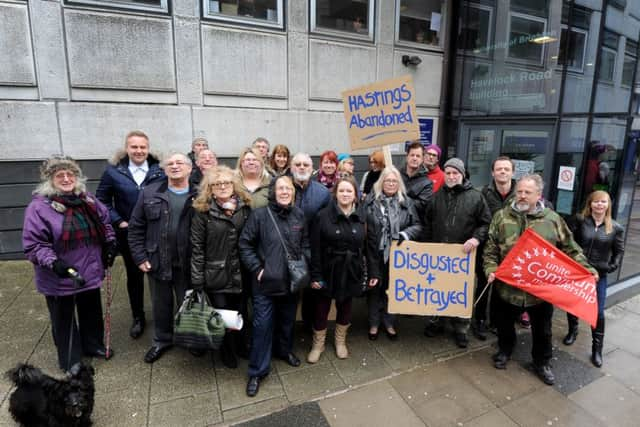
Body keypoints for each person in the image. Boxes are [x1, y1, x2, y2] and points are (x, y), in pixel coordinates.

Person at [484, 174, 598, 385]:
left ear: (538, 195)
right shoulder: (501, 216)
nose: (522, 196)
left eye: (528, 192)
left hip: (540, 292)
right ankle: (505, 351)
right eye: (519, 191)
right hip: (507, 288)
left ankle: (542, 362)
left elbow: (571, 249)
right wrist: (491, 268)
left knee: (543, 331)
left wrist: (586, 268)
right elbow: (490, 248)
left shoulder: (552, 220)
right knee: (504, 325)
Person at [23, 157, 117, 371]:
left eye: (70, 174)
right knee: (63, 318)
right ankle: (70, 360)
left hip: (90, 268)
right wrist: (54, 263)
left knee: (91, 310)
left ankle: (92, 345)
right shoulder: (39, 208)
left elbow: (104, 222)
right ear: (50, 180)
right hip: (60, 273)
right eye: (60, 175)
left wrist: (110, 243)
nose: (66, 179)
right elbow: (35, 244)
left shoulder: (88, 200)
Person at [239, 175, 309, 397]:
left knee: (287, 321)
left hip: (290, 282)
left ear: (293, 193)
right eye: (280, 188)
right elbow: (244, 245)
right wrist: (258, 269)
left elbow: (305, 243)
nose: (285, 192)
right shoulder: (260, 215)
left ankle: (284, 351)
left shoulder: (299, 215)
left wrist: (304, 265)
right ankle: (257, 371)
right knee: (262, 325)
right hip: (265, 282)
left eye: (288, 188)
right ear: (273, 192)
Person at [128, 153, 197, 363]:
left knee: (188, 304)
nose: (175, 166)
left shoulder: (201, 194)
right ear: (164, 169)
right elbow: (135, 228)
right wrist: (140, 257)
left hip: (188, 262)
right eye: (170, 163)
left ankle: (190, 340)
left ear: (190, 169)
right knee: (161, 305)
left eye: (180, 163)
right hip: (157, 260)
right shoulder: (149, 192)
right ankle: (162, 341)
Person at [96, 130, 164, 339]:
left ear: (148, 148)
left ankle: (164, 318)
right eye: (134, 147)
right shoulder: (113, 172)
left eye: (143, 147)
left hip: (156, 232)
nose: (139, 151)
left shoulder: (160, 170)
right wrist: (118, 221)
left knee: (160, 276)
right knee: (134, 277)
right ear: (126, 148)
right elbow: (102, 200)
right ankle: (138, 317)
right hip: (129, 234)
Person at [423, 158, 492, 348]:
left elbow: (486, 223)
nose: (451, 176)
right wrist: (426, 247)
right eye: (448, 173)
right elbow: (428, 222)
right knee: (438, 291)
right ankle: (437, 322)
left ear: (462, 175)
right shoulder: (436, 196)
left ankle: (461, 329)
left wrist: (476, 238)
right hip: (439, 256)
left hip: (463, 257)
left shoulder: (476, 197)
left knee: (461, 294)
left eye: (455, 173)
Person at [191, 166, 252, 368]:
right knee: (223, 315)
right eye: (218, 184)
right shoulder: (202, 211)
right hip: (216, 274)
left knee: (241, 311)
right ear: (210, 188)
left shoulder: (245, 206)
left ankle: (242, 345)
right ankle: (227, 351)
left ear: (234, 184)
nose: (223, 186)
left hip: (241, 272)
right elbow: (197, 247)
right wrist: (197, 278)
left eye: (227, 182)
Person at [563, 191, 624, 367]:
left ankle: (597, 349)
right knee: (573, 305)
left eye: (603, 202)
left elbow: (618, 252)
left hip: (599, 276)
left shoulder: (615, 227)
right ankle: (572, 332)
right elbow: (570, 243)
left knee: (597, 313)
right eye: (596, 202)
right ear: (590, 204)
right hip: (578, 272)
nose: (599, 205)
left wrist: (610, 267)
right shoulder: (580, 221)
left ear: (608, 205)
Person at [307, 177, 365, 363]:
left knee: (345, 307)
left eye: (349, 191)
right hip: (327, 268)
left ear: (355, 195)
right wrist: (315, 274)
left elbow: (367, 247)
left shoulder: (363, 216)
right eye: (341, 191)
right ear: (335, 194)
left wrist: (369, 272)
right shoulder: (322, 216)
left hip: (351, 269)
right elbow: (314, 248)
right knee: (321, 308)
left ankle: (340, 342)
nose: (345, 194)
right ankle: (318, 344)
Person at [364, 166, 423, 341]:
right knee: (374, 288)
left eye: (394, 181)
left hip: (398, 256)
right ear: (381, 182)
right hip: (374, 252)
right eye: (388, 180)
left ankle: (389, 322)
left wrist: (404, 235)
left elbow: (417, 225)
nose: (390, 184)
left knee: (392, 289)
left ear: (399, 184)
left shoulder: (406, 203)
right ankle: (374, 323)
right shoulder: (370, 201)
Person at [473, 156, 517, 340]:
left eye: (506, 169)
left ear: (512, 172)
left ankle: (498, 322)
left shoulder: (520, 194)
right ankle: (479, 320)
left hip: (511, 251)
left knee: (504, 290)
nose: (503, 172)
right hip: (487, 249)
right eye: (499, 169)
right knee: (484, 285)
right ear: (493, 172)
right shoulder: (482, 193)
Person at [289, 153, 331, 330]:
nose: (301, 167)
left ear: (312, 168)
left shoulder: (322, 192)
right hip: (287, 249)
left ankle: (309, 327)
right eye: (297, 164)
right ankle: (286, 332)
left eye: (305, 164)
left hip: (313, 250)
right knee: (288, 294)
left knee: (312, 294)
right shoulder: (282, 188)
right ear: (291, 168)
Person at [400, 141, 433, 218]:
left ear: (422, 159)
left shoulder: (427, 183)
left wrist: (400, 199)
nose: (414, 158)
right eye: (412, 155)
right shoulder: (397, 175)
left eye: (418, 156)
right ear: (407, 157)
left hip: (413, 224)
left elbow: (422, 206)